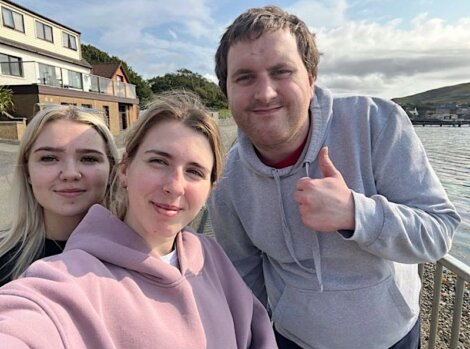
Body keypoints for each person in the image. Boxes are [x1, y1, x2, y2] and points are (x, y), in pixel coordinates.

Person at [207, 5, 461, 349]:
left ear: (310, 79)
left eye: (281, 71)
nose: (265, 92)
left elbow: (438, 232)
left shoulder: (376, 123)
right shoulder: (226, 180)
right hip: (292, 339)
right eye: (245, 77)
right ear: (227, 90)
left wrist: (355, 214)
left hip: (394, 336)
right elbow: (244, 273)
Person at [0, 91, 277, 349]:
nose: (175, 186)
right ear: (124, 171)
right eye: (158, 161)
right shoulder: (67, 278)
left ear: (211, 188)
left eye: (195, 171)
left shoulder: (209, 257)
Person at [0, 105, 119, 286]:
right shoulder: (4, 257)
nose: (70, 174)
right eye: (49, 158)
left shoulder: (139, 256)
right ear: (27, 171)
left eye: (89, 158)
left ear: (112, 170)